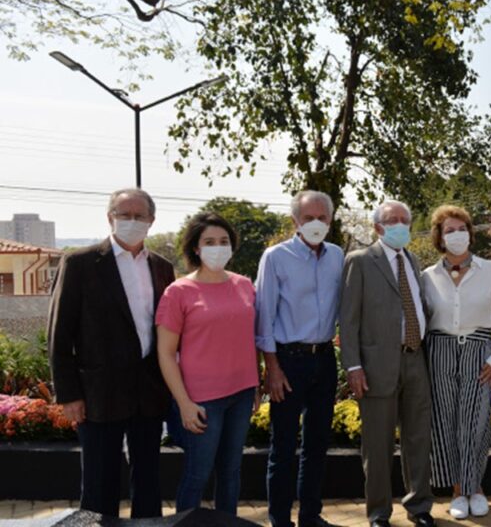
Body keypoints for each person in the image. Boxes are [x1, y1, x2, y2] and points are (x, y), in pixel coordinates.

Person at [47, 188, 175, 518]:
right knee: (99, 484)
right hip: (97, 395)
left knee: (148, 482)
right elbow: (59, 335)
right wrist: (69, 394)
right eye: (124, 215)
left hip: (148, 393)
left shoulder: (162, 268)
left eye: (139, 216)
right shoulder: (80, 263)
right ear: (110, 218)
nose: (132, 221)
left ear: (151, 221)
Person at [155, 213, 258, 515]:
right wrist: (184, 403)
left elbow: (247, 339)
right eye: (209, 242)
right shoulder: (179, 292)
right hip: (202, 401)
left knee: (231, 472)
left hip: (241, 393)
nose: (218, 247)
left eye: (224, 241)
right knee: (197, 474)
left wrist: (254, 385)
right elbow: (165, 353)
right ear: (196, 249)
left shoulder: (244, 285)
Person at [340, 200, 434, 527]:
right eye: (392, 220)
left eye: (404, 220)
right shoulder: (360, 261)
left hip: (415, 361)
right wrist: (352, 366)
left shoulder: (414, 259)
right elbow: (348, 320)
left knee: (418, 439)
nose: (400, 225)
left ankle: (420, 506)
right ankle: (379, 512)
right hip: (377, 365)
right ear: (378, 227)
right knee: (378, 446)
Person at [255, 190, 345, 527]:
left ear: (331, 220)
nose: (316, 224)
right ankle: (280, 520)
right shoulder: (276, 257)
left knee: (317, 443)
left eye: (322, 217)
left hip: (323, 358)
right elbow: (264, 316)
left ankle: (310, 515)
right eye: (308, 218)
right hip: (288, 361)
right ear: (295, 220)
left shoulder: (337, 255)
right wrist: (271, 367)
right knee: (283, 447)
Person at [420, 205, 491, 520]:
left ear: (470, 233)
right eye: (449, 230)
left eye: (461, 229)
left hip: (478, 350)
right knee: (445, 422)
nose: (456, 235)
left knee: (475, 422)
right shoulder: (427, 276)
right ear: (439, 237)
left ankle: (477, 488)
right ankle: (458, 490)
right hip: (440, 350)